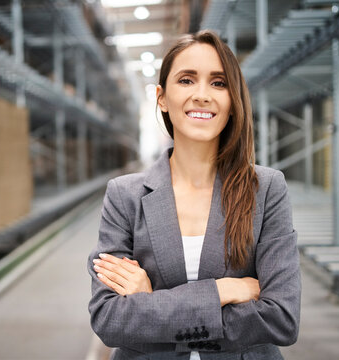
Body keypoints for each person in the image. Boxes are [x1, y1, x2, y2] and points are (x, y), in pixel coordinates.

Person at [87, 30, 300, 360]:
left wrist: (152, 304)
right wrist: (223, 291)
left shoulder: (267, 189)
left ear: (233, 102)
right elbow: (110, 320)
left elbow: (281, 319)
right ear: (161, 97)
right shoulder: (124, 196)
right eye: (187, 80)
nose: (202, 95)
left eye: (218, 83)